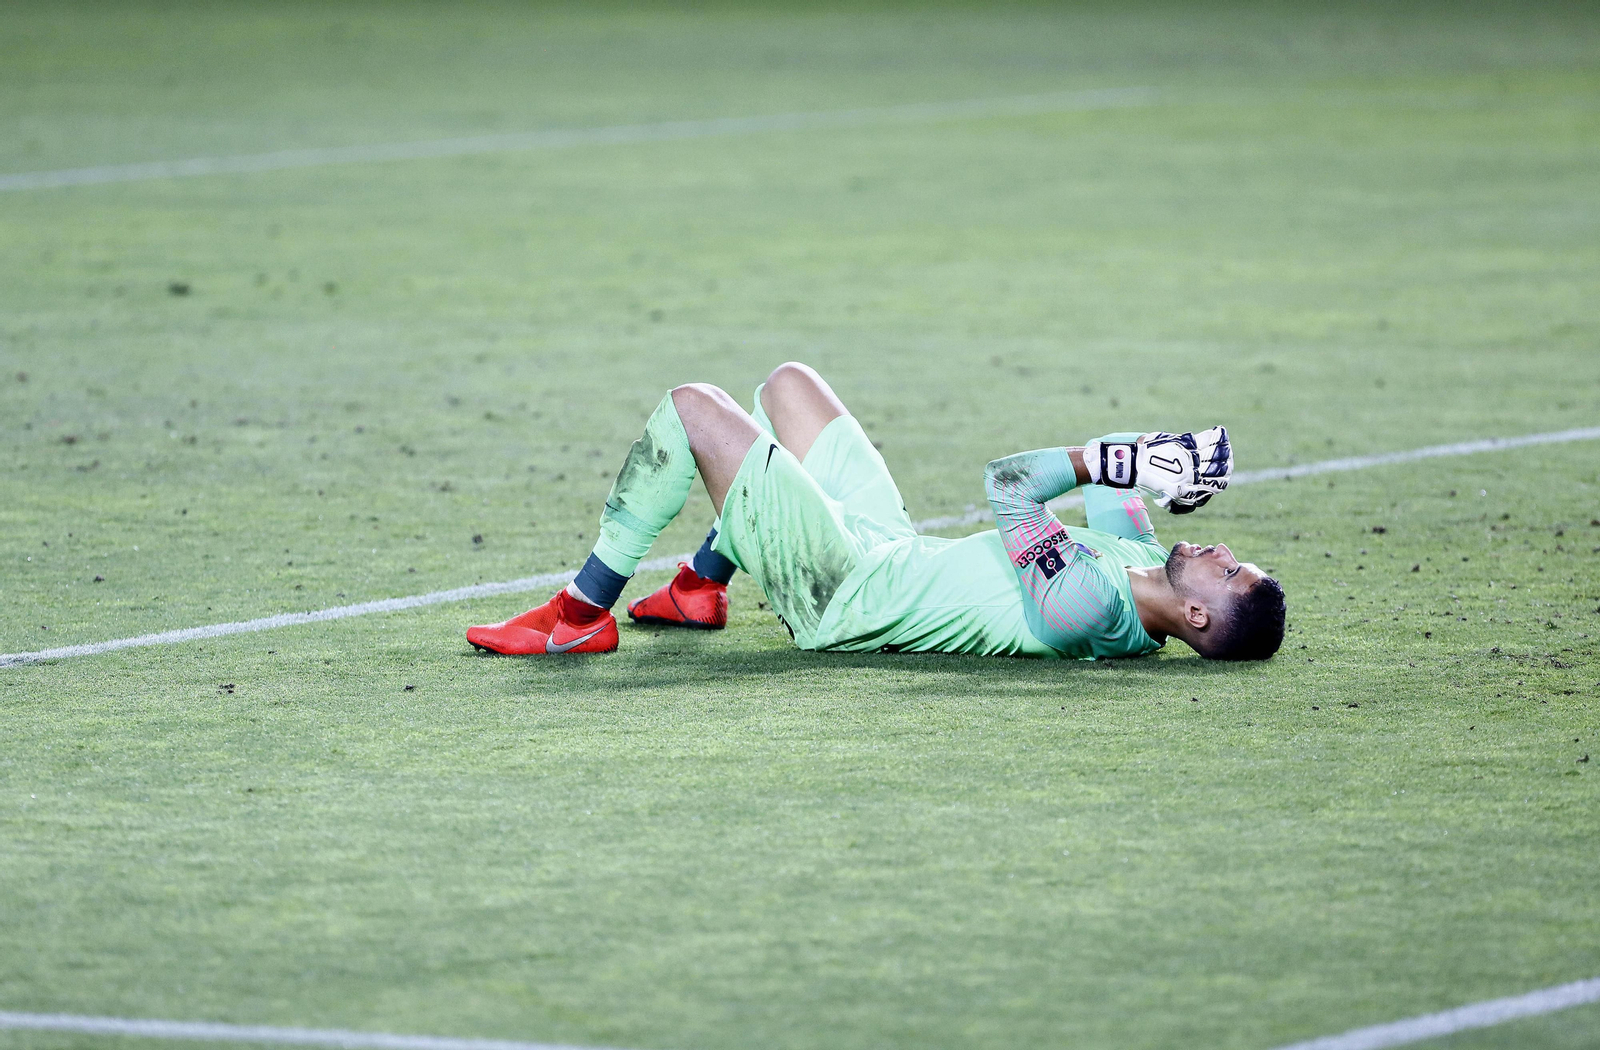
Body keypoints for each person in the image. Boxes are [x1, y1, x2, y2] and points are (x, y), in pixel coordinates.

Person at [467, 363, 1285, 661]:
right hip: (886, 549)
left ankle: (579, 613)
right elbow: (1114, 480)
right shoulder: (1135, 565)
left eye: (1229, 569)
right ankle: (698, 586)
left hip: (846, 593)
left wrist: (1123, 463)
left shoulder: (1086, 610)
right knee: (789, 385)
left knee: (692, 407)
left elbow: (1008, 484)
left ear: (1199, 618)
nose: (1218, 548)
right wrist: (1160, 455)